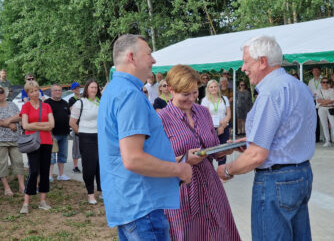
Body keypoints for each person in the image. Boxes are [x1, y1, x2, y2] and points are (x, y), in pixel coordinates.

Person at [217, 36, 316, 241]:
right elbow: (286, 134)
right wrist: (248, 142)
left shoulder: (270, 93)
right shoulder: (299, 86)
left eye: (246, 61)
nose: (243, 68)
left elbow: (257, 156)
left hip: (276, 180)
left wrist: (226, 170)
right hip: (301, 174)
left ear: (262, 61)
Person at [97, 34, 192, 240]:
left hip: (129, 203)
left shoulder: (114, 90)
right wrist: (179, 169)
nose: (153, 60)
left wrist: (169, 161)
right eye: (149, 53)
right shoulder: (130, 94)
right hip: (143, 206)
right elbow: (133, 159)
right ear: (132, 57)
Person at [159, 65, 240, 240]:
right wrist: (184, 159)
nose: (191, 99)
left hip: (210, 186)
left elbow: (211, 151)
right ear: (171, 90)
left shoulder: (203, 112)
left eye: (194, 93)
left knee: (220, 232)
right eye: (185, 94)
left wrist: (228, 147)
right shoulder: (161, 119)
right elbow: (155, 163)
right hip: (181, 191)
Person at [19, 81, 55, 214]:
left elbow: (52, 125)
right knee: (33, 171)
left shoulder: (46, 106)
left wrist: (34, 124)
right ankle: (26, 202)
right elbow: (25, 126)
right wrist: (42, 125)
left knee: (45, 171)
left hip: (46, 141)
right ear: (27, 93)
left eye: (36, 90)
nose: (34, 93)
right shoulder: (26, 106)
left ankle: (42, 201)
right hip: (33, 142)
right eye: (31, 91)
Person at [70, 79, 102, 204]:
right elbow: (72, 123)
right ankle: (90, 193)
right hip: (86, 137)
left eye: (96, 87)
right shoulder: (80, 103)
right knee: (89, 166)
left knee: (101, 165)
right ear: (87, 89)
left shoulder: (100, 102)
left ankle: (101, 190)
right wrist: (82, 133)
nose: (94, 89)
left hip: (100, 137)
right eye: (91, 87)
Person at [0, 85, 24, 196]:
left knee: (18, 162)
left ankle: (22, 186)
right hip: (1, 140)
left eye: (1, 92)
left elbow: (20, 116)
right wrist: (9, 125)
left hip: (15, 139)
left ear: (5, 93)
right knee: (2, 164)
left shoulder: (12, 104)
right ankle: (6, 187)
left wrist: (8, 121)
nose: (0, 94)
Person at [201, 79, 231, 165]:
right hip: (211, 128)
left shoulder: (224, 98)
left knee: (223, 151)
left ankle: (221, 173)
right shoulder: (205, 100)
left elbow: (228, 113)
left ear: (218, 88)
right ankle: (211, 174)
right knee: (211, 151)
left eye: (215, 86)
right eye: (211, 87)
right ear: (208, 89)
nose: (213, 88)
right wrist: (220, 122)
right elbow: (206, 115)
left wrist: (223, 125)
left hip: (225, 127)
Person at [45, 84, 71, 181]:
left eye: (59, 90)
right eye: (55, 90)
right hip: (52, 134)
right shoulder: (47, 103)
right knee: (51, 156)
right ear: (51, 92)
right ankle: (50, 175)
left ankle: (61, 174)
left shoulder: (65, 103)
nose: (57, 92)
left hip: (64, 133)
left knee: (62, 155)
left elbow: (69, 116)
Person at [316, 77, 334, 147]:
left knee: (333, 124)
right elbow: (318, 101)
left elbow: (333, 100)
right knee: (324, 125)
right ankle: (327, 140)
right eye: (323, 82)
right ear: (321, 83)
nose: (325, 83)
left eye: (327, 82)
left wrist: (323, 101)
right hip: (321, 109)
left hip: (330, 109)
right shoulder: (318, 91)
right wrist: (328, 101)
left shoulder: (331, 90)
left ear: (329, 83)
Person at [68, 82, 82, 173]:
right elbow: (72, 110)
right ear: (72, 90)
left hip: (85, 124)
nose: (77, 89)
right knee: (76, 146)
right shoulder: (71, 99)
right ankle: (75, 166)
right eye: (75, 88)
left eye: (78, 87)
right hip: (76, 124)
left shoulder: (84, 97)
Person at [308, 66, 322, 142]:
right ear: (312, 72)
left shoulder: (323, 80)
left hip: (322, 101)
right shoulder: (310, 81)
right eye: (314, 70)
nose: (316, 72)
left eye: (317, 70)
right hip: (313, 101)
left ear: (319, 71)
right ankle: (316, 137)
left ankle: (324, 137)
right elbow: (308, 91)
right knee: (315, 119)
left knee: (323, 119)